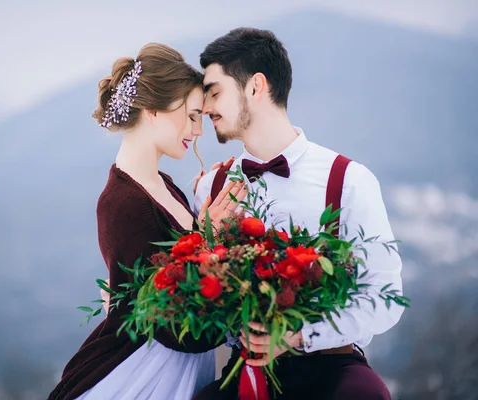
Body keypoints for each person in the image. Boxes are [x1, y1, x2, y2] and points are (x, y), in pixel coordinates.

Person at [191, 27, 404, 400]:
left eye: (214, 92)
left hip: (331, 370)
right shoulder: (211, 188)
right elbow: (197, 301)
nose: (206, 107)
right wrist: (206, 244)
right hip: (245, 369)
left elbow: (383, 298)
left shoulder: (350, 181)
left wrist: (300, 334)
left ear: (256, 87)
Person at [47, 43, 246, 400]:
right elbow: (173, 323)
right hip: (142, 376)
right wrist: (212, 239)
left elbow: (175, 266)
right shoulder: (122, 204)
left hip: (170, 369)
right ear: (153, 111)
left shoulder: (161, 183)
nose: (198, 130)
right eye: (191, 116)